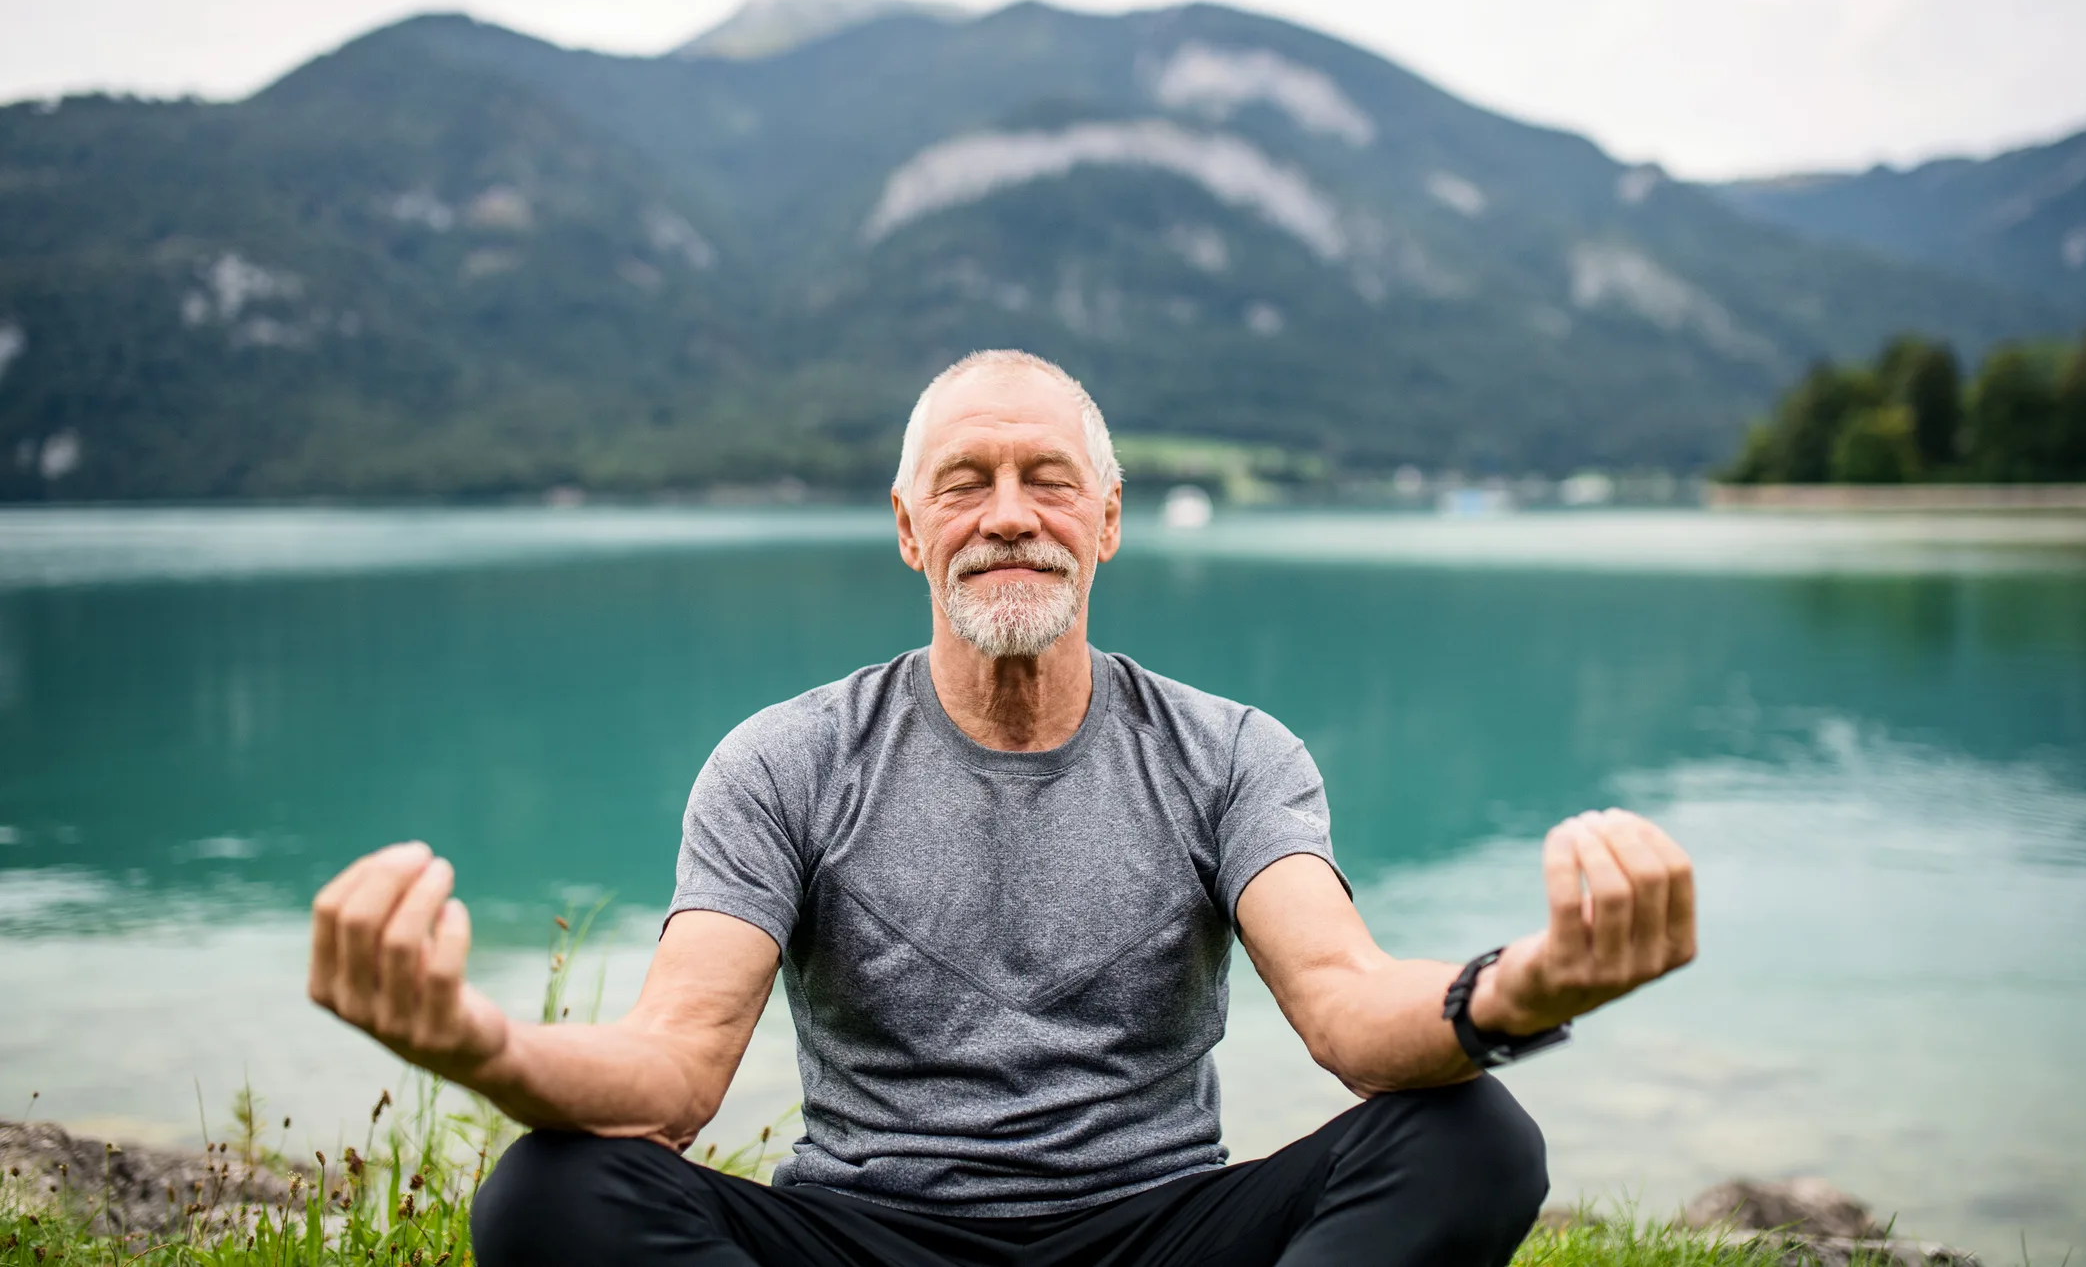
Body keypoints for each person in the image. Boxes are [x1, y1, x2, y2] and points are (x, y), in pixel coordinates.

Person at [307, 349, 1697, 1266]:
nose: (1010, 512)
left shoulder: (1229, 751)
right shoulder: (783, 760)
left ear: (1105, 519)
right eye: (967, 483)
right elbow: (672, 1075)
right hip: (869, 1231)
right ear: (912, 528)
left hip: (1158, 1226)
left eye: (1049, 481)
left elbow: (1346, 1008)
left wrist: (1527, 983)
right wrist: (474, 1039)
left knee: (1470, 1135)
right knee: (552, 1193)